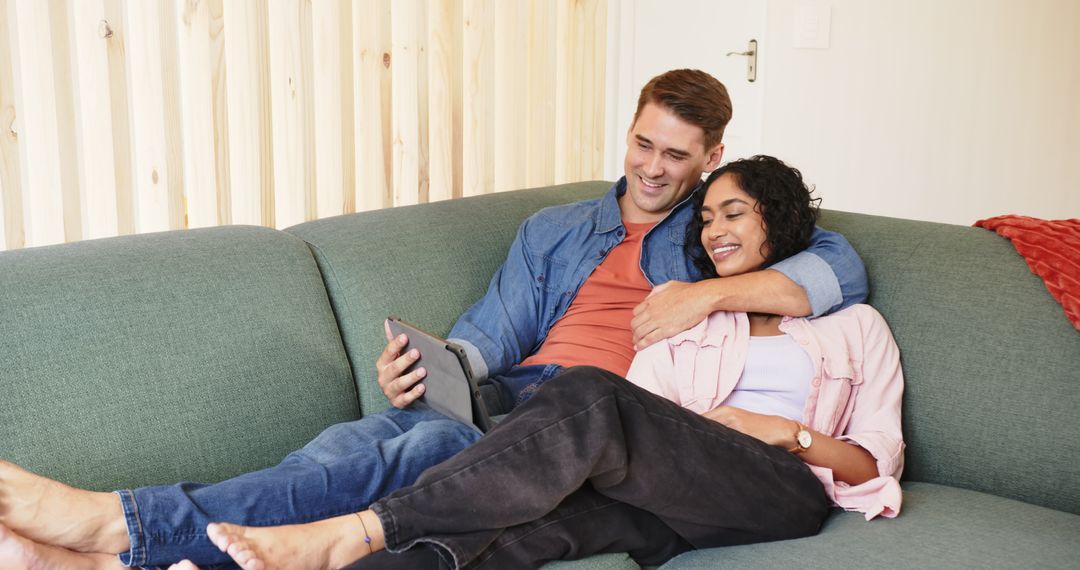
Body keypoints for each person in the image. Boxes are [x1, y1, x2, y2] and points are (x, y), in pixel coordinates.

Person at [0, 70, 867, 570]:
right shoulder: (556, 229)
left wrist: (705, 292)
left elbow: (840, 265)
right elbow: (491, 335)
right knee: (352, 443)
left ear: (710, 158)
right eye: (642, 144)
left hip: (602, 418)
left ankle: (122, 524)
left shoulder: (717, 230)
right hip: (516, 396)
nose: (651, 169)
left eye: (676, 156)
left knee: (421, 453)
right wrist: (429, 364)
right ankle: (134, 555)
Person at [194, 155, 905, 570]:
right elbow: (649, 418)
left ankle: (350, 531)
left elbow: (875, 466)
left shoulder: (854, 328)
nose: (715, 229)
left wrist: (787, 433)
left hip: (786, 488)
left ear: (777, 221)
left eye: (735, 213)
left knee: (592, 393)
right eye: (708, 217)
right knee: (512, 529)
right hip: (679, 495)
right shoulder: (687, 317)